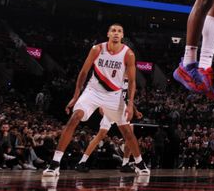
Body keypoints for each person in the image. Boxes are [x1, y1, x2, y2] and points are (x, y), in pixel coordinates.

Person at [42, 24, 148, 177]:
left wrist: (131, 105)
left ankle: (139, 163)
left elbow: (132, 82)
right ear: (108, 34)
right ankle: (55, 163)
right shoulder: (97, 49)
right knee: (75, 117)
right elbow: (84, 71)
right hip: (92, 91)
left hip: (114, 95)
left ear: (122, 35)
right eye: (113, 31)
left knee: (127, 131)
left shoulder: (128, 54)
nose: (116, 33)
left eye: (119, 31)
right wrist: (76, 95)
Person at [75, 101, 143, 172]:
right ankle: (81, 162)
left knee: (129, 138)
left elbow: (128, 99)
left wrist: (136, 110)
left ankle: (125, 164)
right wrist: (102, 106)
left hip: (122, 110)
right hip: (112, 108)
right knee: (101, 136)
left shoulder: (125, 93)